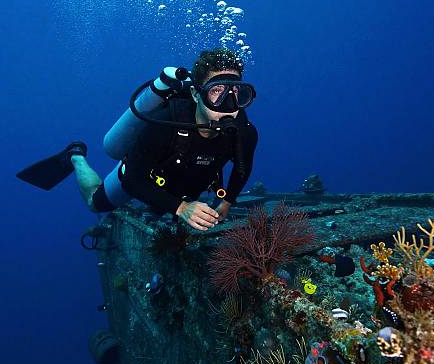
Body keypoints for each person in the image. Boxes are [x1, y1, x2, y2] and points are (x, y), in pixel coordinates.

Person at [17, 47, 258, 231]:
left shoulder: (244, 131)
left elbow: (241, 168)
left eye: (236, 92)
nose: (228, 105)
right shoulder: (164, 124)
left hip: (185, 185)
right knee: (95, 203)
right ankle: (76, 156)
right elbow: (132, 179)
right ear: (196, 94)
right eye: (217, 92)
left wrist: (227, 201)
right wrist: (181, 208)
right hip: (144, 175)